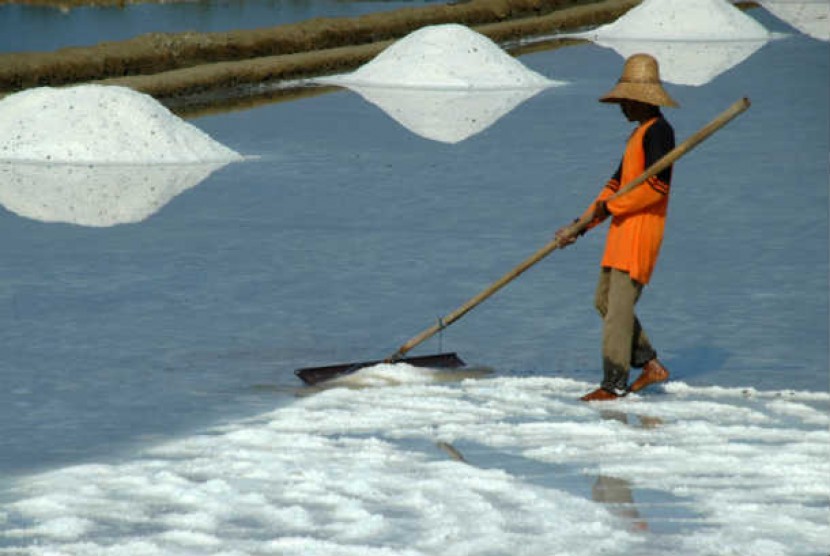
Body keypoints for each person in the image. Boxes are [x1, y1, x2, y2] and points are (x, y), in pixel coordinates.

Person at [556, 53, 677, 402]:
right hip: (621, 231)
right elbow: (614, 186)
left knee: (618, 312)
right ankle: (649, 364)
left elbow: (656, 189)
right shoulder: (638, 135)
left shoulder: (659, 133)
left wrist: (611, 207)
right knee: (605, 302)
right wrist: (580, 225)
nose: (621, 106)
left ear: (641, 99)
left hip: (640, 232)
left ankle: (614, 383)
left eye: (625, 100)